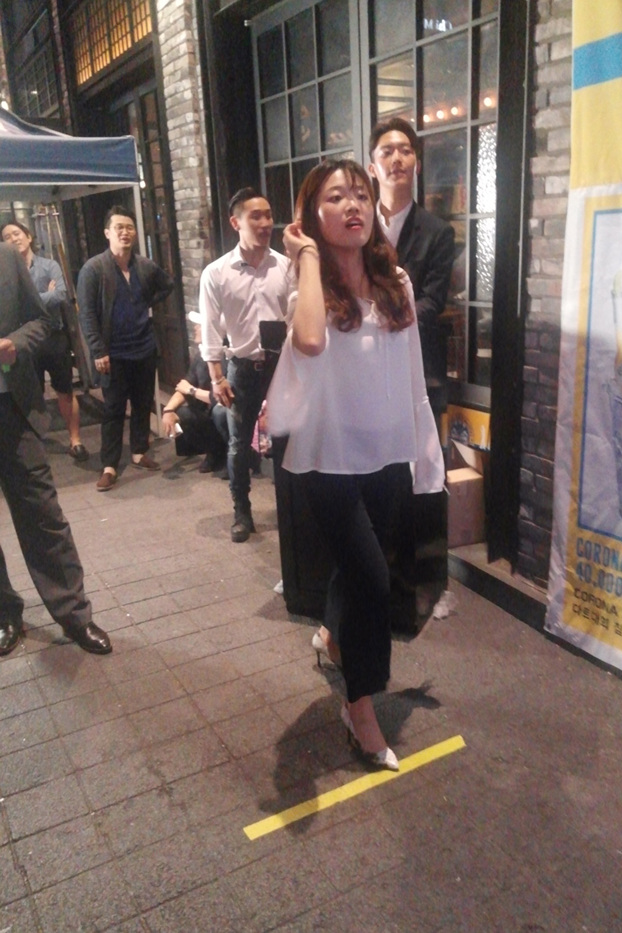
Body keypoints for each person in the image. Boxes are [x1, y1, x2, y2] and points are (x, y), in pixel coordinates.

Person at [266, 160, 444, 771]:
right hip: (328, 456)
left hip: (386, 450)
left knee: (357, 562)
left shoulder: (396, 283)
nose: (354, 206)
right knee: (371, 577)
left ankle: (332, 635)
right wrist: (306, 257)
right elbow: (311, 341)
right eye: (337, 197)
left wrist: (423, 445)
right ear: (313, 215)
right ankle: (361, 706)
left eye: (361, 195)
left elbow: (412, 370)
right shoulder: (306, 286)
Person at [0, 243, 111, 656]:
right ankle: (3, 613)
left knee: (43, 515)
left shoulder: (6, 258)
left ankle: (74, 615)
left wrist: (13, 343)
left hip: (11, 408)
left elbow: (40, 321)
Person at [200, 187, 291, 542]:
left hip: (282, 366)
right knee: (238, 443)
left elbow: (296, 317)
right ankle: (242, 512)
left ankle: (291, 507)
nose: (266, 222)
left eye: (268, 215)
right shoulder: (217, 273)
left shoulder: (285, 266)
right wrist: (216, 378)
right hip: (241, 367)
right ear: (235, 222)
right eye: (256, 216)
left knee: (287, 439)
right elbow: (210, 327)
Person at [77, 205, 174, 491]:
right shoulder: (94, 268)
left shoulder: (144, 266)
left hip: (143, 348)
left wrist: (145, 302)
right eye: (119, 227)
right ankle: (109, 465)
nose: (125, 232)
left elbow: (167, 284)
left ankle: (139, 451)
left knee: (143, 403)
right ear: (107, 233)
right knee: (114, 409)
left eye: (129, 227)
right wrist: (98, 350)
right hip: (113, 354)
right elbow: (87, 314)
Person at [368, 117, 455, 422]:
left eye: (405, 151)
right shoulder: (358, 228)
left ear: (416, 165)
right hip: (365, 364)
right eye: (387, 152)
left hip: (418, 364)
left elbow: (432, 301)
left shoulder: (438, 232)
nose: (397, 159)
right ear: (372, 168)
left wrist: (382, 324)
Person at [1, 220, 88, 461]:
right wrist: (44, 295)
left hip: (53, 338)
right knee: (31, 394)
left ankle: (75, 440)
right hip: (23, 344)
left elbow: (61, 294)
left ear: (28, 236)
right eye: (7, 236)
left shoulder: (49, 265)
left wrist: (31, 299)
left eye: (17, 233)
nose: (13, 239)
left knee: (65, 391)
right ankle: (35, 443)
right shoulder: (6, 271)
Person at [161, 311, 228, 473]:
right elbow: (184, 384)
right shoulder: (200, 355)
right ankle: (213, 452)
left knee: (218, 413)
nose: (195, 328)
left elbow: (219, 397)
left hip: (222, 413)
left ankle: (225, 454)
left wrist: (192, 391)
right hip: (206, 413)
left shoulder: (224, 356)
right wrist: (168, 410)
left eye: (200, 325)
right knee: (181, 413)